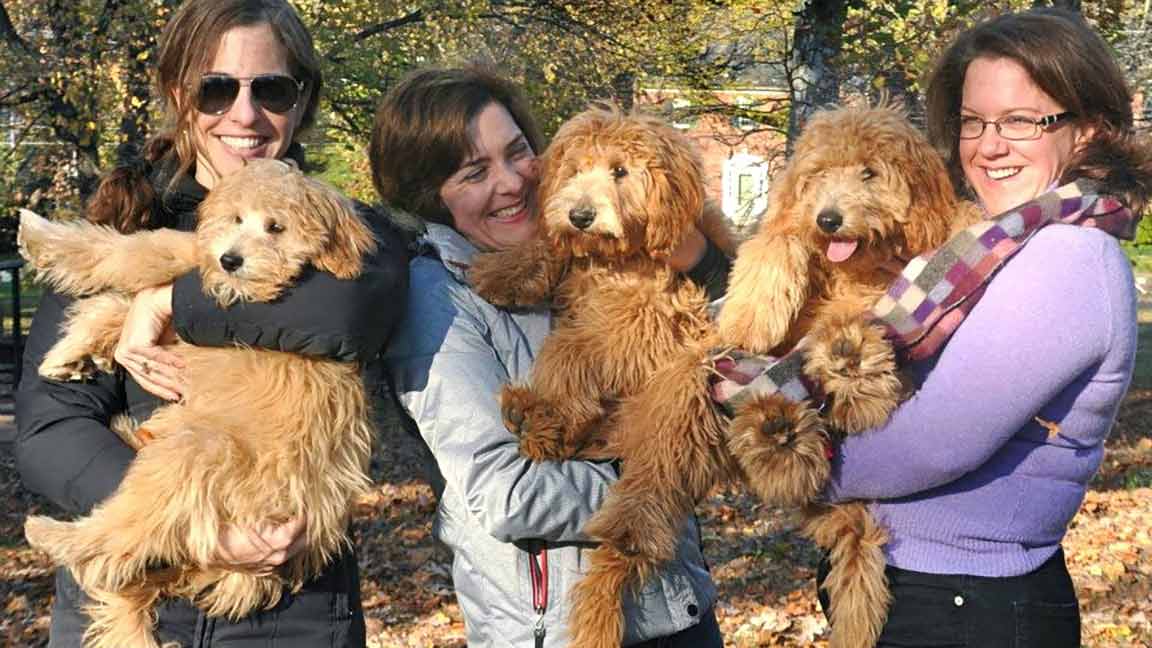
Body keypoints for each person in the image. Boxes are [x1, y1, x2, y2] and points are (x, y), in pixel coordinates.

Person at [13, 1, 408, 646]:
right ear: (178, 94)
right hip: (129, 590)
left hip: (291, 612)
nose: (245, 115)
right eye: (215, 88)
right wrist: (191, 521)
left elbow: (353, 310)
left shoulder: (344, 227)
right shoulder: (128, 225)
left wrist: (169, 299)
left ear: (303, 101)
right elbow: (50, 427)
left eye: (272, 89)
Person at [812, 8, 1152, 646]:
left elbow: (935, 442)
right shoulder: (996, 247)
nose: (988, 145)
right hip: (931, 591)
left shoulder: (1068, 257)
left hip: (967, 606)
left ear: (1089, 130)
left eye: (1021, 121)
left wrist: (777, 454)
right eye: (973, 121)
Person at [376, 68, 728, 647]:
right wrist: (660, 479)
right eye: (475, 172)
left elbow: (732, 344)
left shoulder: (592, 244)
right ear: (430, 196)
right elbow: (506, 494)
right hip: (557, 629)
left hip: (681, 607)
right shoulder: (437, 298)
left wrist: (707, 264)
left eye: (518, 152)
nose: (513, 182)